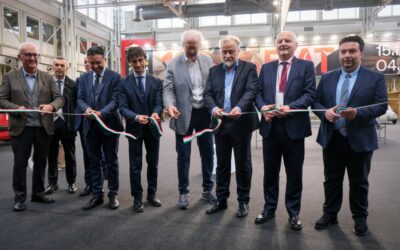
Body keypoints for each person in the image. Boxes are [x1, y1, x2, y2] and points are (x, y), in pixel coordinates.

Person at [313, 35, 387, 236]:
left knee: (359, 181)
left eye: (352, 51)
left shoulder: (375, 78)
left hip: (360, 139)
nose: (347, 55)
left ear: (361, 54)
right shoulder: (327, 77)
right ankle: (330, 214)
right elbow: (316, 103)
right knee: (331, 180)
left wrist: (358, 113)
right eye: (343, 51)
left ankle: (360, 218)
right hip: (333, 137)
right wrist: (324, 113)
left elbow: (381, 105)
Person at [254, 31, 316, 230]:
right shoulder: (266, 68)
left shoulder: (306, 67)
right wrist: (263, 108)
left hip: (294, 128)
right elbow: (258, 94)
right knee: (270, 173)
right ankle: (269, 208)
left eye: (287, 40)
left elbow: (309, 95)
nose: (283, 43)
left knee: (294, 174)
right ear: (275, 45)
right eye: (279, 41)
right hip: (270, 127)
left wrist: (289, 108)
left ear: (295, 45)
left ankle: (293, 212)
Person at [0, 42, 64, 212]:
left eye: (35, 55)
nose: (32, 58)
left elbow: (59, 98)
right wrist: (16, 108)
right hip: (21, 128)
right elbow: (1, 99)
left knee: (41, 162)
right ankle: (19, 197)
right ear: (20, 57)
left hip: (44, 127)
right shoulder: (10, 77)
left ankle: (38, 193)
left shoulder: (48, 78)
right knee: (20, 163)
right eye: (28, 55)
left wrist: (51, 106)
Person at [203, 35, 259, 218]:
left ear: (238, 51)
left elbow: (251, 91)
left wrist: (239, 107)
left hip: (241, 124)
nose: (227, 54)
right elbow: (208, 94)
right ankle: (221, 200)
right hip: (220, 124)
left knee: (243, 165)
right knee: (222, 165)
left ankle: (243, 202)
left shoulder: (249, 68)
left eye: (231, 51)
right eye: (224, 51)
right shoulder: (214, 71)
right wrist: (213, 109)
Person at [163, 30, 216, 209]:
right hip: (183, 115)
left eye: (195, 46)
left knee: (208, 154)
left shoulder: (208, 61)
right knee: (183, 157)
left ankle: (208, 190)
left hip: (204, 115)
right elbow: (168, 90)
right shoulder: (172, 64)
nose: (192, 50)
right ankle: (183, 193)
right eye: (188, 46)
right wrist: (170, 106)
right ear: (183, 45)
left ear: (200, 45)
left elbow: (213, 86)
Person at [77, 46, 123, 210]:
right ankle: (97, 194)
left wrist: (100, 113)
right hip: (89, 127)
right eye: (91, 63)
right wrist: (87, 110)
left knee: (111, 161)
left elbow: (115, 100)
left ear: (105, 60)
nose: (95, 66)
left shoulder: (116, 77)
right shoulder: (84, 78)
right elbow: (80, 98)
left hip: (109, 126)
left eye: (98, 63)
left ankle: (113, 194)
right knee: (93, 162)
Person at [119, 46, 163, 212]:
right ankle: (137, 198)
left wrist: (155, 113)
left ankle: (152, 195)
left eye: (140, 60)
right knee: (135, 165)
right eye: (134, 61)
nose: (137, 64)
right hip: (134, 129)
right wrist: (136, 117)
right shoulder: (124, 82)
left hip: (153, 128)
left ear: (146, 60)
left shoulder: (156, 82)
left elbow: (159, 103)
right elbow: (122, 107)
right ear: (130, 62)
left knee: (153, 163)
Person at [45, 57, 77, 195]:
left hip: (67, 123)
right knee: (51, 155)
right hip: (50, 123)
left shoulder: (73, 84)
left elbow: (76, 104)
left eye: (62, 65)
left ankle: (71, 183)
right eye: (56, 65)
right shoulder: (46, 83)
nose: (59, 67)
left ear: (66, 67)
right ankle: (52, 184)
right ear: (53, 67)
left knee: (70, 155)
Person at [75, 56, 92, 197]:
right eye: (85, 62)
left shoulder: (108, 78)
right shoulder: (80, 80)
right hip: (85, 123)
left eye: (90, 62)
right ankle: (89, 184)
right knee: (87, 155)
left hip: (103, 122)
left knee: (105, 157)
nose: (88, 64)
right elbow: (78, 100)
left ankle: (106, 188)